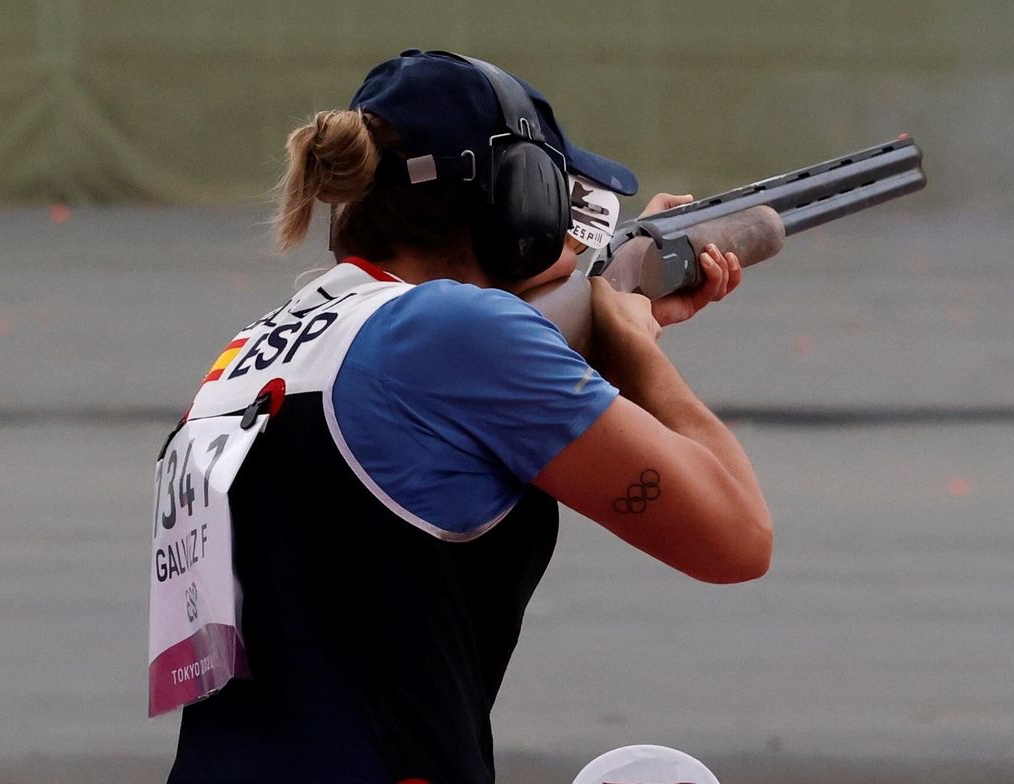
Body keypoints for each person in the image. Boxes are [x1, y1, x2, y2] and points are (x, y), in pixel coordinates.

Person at [163, 50, 772, 783]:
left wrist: (602, 317)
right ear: (522, 204)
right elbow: (738, 536)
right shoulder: (459, 331)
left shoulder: (248, 357)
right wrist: (639, 354)